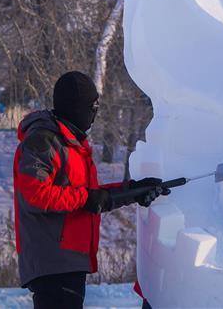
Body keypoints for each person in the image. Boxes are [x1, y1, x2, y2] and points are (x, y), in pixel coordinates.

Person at [13, 70, 169, 309]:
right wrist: (88, 197)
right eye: (92, 108)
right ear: (76, 108)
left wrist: (132, 191)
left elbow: (91, 196)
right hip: (52, 260)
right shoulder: (43, 141)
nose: (94, 116)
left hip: (69, 260)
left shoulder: (72, 144)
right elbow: (35, 194)